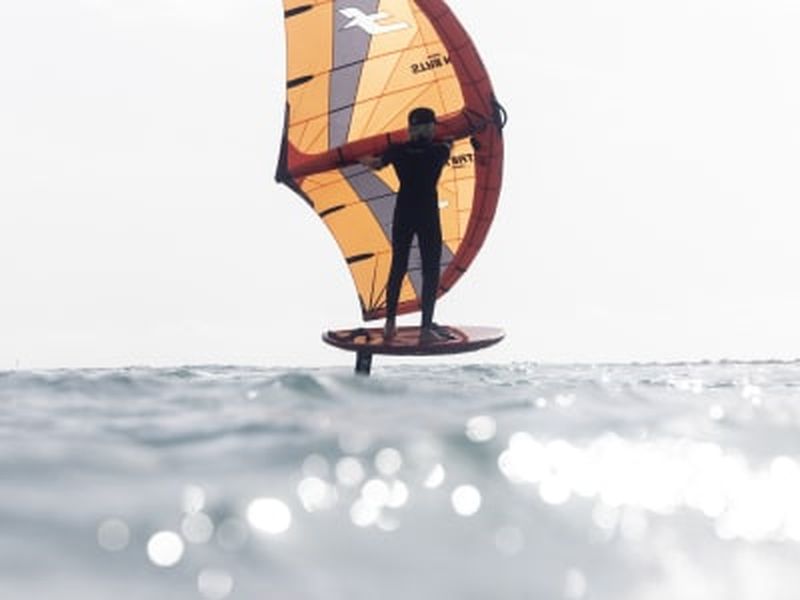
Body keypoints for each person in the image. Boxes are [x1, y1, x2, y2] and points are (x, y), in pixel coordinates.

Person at [361, 107, 452, 343]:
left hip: (404, 211)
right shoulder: (439, 151)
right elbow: (449, 143)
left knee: (398, 265)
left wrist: (361, 158)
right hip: (427, 214)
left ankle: (390, 324)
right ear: (431, 127)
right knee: (430, 270)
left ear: (410, 129)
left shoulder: (398, 151)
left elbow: (376, 163)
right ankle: (425, 329)